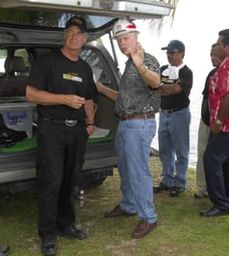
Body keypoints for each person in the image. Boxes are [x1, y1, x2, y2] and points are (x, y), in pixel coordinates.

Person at [26, 16, 96, 256]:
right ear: (65, 35)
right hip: (52, 129)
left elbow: (89, 99)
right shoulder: (47, 62)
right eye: (70, 31)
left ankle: (66, 224)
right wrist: (63, 99)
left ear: (85, 39)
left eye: (79, 33)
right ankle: (47, 234)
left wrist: (90, 122)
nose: (74, 35)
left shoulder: (85, 68)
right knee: (51, 180)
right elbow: (32, 94)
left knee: (70, 179)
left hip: (77, 130)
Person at [97, 19, 161, 239]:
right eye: (119, 40)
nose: (122, 43)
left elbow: (155, 82)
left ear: (136, 38)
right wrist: (101, 88)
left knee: (138, 170)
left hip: (139, 124)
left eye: (125, 38)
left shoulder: (147, 60)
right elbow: (123, 98)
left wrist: (140, 65)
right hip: (125, 122)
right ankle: (128, 205)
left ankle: (149, 217)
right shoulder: (127, 65)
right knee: (125, 168)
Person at [200, 29, 229, 217]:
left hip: (226, 124)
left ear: (228, 46)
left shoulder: (227, 66)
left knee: (211, 160)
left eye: (219, 44)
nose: (217, 47)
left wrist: (218, 120)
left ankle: (220, 203)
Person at [153, 40, 193, 197]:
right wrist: (162, 89)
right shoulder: (163, 69)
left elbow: (175, 89)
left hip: (179, 114)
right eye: (167, 52)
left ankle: (180, 181)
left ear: (181, 53)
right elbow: (154, 87)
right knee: (164, 148)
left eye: (172, 52)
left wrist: (161, 88)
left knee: (181, 149)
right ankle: (167, 179)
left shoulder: (186, 72)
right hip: (164, 113)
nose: (169, 56)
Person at [194, 44, 222, 199]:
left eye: (215, 55)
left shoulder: (226, 73)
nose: (213, 57)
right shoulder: (211, 73)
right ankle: (202, 187)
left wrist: (217, 121)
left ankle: (217, 189)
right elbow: (206, 98)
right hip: (205, 120)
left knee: (217, 157)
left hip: (219, 123)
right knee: (202, 153)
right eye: (211, 54)